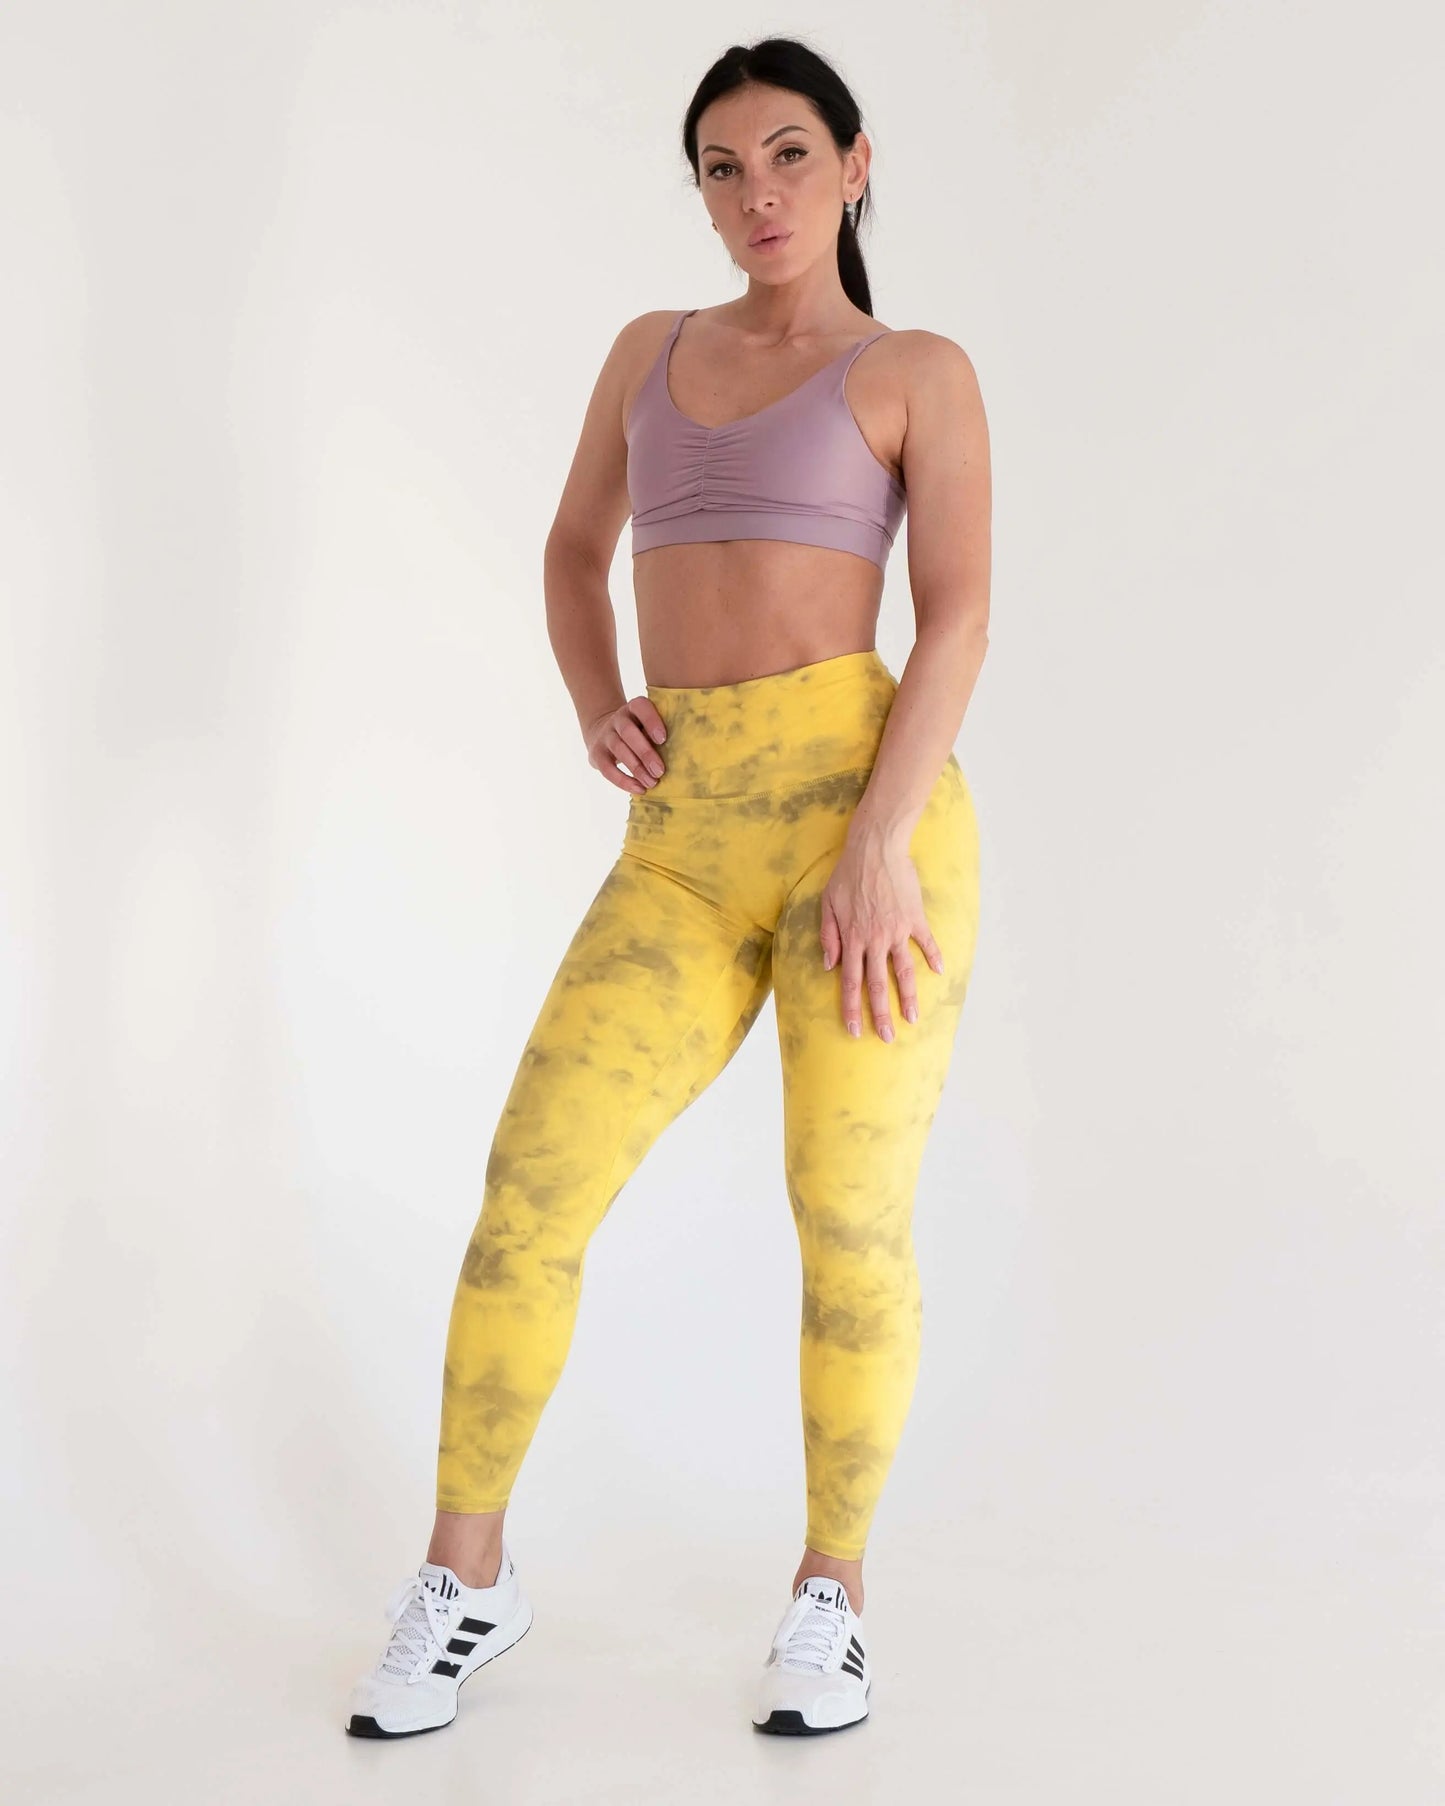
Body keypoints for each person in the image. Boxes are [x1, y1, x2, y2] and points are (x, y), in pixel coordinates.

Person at [345, 33, 990, 1742]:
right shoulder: (649, 350)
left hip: (869, 831)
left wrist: (878, 842)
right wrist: (595, 702)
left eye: (788, 156)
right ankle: (466, 1575)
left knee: (845, 1217)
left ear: (854, 166)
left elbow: (959, 615)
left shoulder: (913, 369)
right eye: (721, 166)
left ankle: (831, 1595)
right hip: (684, 845)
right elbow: (574, 550)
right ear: (697, 192)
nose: (755, 193)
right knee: (530, 1189)